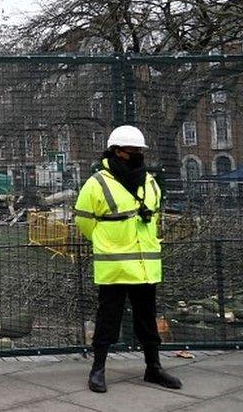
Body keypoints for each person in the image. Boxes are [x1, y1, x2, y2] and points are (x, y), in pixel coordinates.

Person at [74, 125, 182, 393]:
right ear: (115, 152)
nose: (135, 154)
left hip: (146, 265)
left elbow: (153, 214)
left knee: (147, 318)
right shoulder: (97, 183)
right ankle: (98, 369)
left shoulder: (150, 182)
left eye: (138, 150)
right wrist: (107, 242)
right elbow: (84, 222)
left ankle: (153, 368)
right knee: (108, 318)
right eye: (129, 150)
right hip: (114, 266)